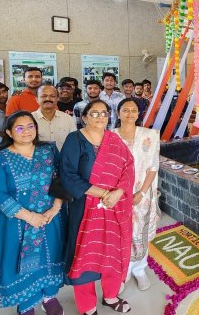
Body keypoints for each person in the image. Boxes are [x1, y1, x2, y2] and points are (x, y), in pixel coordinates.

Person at [0, 111, 66, 315]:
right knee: (20, 263)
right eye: (19, 128)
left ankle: (49, 296)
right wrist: (30, 217)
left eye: (30, 126)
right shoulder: (0, 159)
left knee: (51, 256)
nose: (26, 131)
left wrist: (55, 208)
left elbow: (60, 180)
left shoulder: (48, 151)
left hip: (50, 218)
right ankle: (27, 303)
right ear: (9, 132)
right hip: (17, 223)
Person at [60, 100, 135, 314]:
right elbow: (69, 176)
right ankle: (87, 305)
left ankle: (110, 296)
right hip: (85, 208)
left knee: (112, 250)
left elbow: (129, 167)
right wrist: (104, 194)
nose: (101, 117)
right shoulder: (75, 139)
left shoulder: (114, 140)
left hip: (115, 208)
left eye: (104, 113)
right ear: (84, 117)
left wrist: (118, 193)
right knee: (86, 254)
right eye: (94, 113)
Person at [112, 99, 161, 291]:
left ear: (138, 114)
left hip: (142, 193)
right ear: (118, 113)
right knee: (119, 232)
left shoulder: (150, 135)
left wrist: (141, 192)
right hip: (116, 194)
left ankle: (140, 269)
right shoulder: (110, 136)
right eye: (125, 110)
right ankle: (122, 271)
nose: (130, 114)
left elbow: (153, 166)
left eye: (134, 110)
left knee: (139, 229)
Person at [33, 85, 76, 150]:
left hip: (63, 159)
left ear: (57, 98)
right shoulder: (30, 119)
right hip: (38, 159)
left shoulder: (68, 119)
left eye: (52, 96)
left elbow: (74, 143)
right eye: (44, 96)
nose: (48, 99)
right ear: (36, 99)